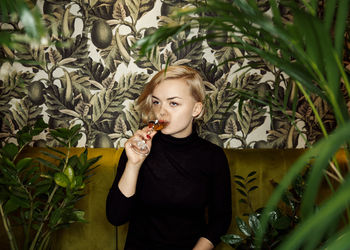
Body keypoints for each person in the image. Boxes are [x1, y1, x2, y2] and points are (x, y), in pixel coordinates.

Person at [106, 65, 232, 250]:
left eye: (173, 103)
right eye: (157, 102)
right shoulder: (137, 149)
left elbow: (220, 220)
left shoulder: (213, 157)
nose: (161, 112)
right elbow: (116, 217)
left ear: (196, 109)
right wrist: (134, 164)